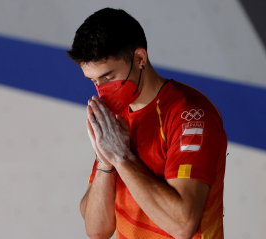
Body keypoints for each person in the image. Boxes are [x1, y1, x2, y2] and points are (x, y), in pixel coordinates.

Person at [66, 7, 227, 239]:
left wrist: (122, 158)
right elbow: (97, 230)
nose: (101, 90)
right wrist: (105, 160)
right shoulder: (116, 118)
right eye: (93, 81)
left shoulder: (190, 114)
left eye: (109, 77)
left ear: (139, 58)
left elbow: (183, 225)